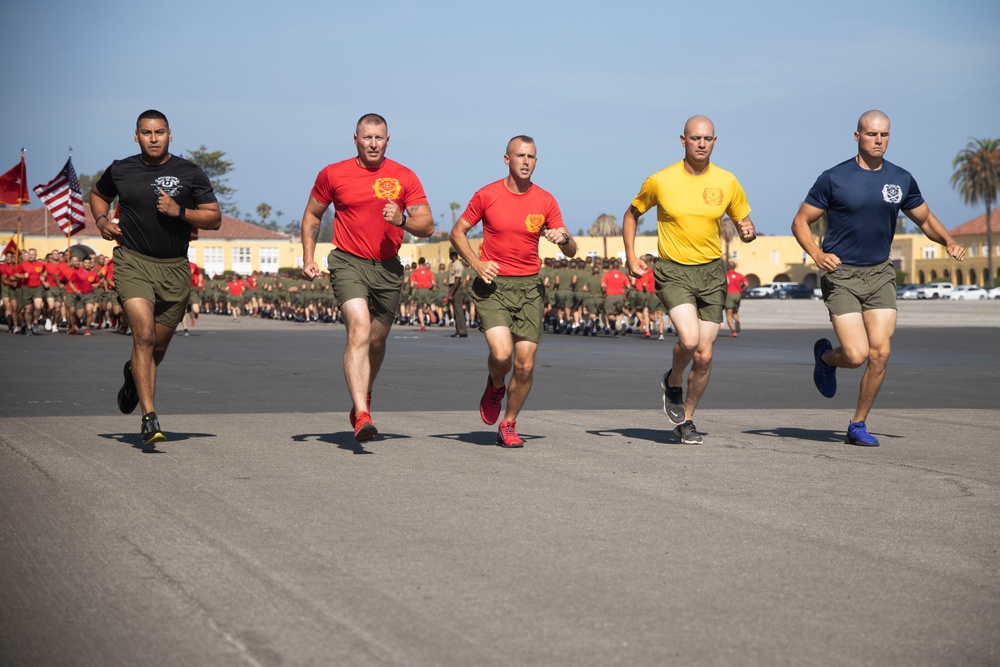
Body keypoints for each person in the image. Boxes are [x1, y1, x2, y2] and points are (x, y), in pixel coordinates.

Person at [791, 110, 966, 446]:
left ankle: (857, 424)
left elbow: (925, 219)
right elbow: (800, 222)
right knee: (855, 355)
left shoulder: (901, 179)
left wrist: (949, 241)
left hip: (880, 274)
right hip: (841, 274)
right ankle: (826, 358)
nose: (878, 140)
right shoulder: (834, 178)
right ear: (857, 136)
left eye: (884, 135)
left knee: (881, 352)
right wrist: (816, 254)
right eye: (871, 134)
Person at [90, 109, 222, 447]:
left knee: (156, 348)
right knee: (144, 337)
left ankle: (133, 376)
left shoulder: (189, 172)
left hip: (174, 269)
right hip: (132, 262)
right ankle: (149, 417)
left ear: (170, 135)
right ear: (136, 136)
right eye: (146, 132)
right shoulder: (121, 169)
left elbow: (214, 218)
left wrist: (179, 211)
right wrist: (103, 221)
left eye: (159, 132)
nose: (153, 138)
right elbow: (98, 194)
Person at [623, 115, 757, 445]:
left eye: (707, 139)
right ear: (683, 141)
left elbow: (743, 219)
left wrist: (748, 230)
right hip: (674, 270)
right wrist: (630, 254)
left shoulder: (727, 181)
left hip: (712, 273)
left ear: (714, 141)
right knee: (690, 339)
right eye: (695, 138)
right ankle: (673, 379)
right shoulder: (661, 180)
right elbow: (631, 214)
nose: (701, 143)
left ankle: (688, 420)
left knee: (706, 355)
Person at [300, 113, 434, 442]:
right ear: (356, 139)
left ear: (388, 140)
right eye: (367, 138)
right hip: (347, 261)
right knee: (359, 327)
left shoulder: (405, 176)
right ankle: (361, 414)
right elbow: (312, 214)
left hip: (387, 267)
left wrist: (402, 220)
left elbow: (428, 226)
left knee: (376, 340)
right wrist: (308, 257)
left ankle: (366, 392)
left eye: (379, 138)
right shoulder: (333, 173)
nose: (373, 144)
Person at [450, 135, 577, 448]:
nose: (525, 161)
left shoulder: (545, 200)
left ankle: (508, 424)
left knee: (525, 364)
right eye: (520, 156)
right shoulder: (487, 195)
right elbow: (457, 232)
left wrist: (563, 239)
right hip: (493, 285)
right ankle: (495, 384)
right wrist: (477, 264)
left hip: (529, 287)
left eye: (531, 157)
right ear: (507, 159)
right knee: (502, 354)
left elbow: (572, 250)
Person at [447, 248, 468, 338]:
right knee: (456, 310)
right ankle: (458, 329)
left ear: (451, 254)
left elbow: (457, 280)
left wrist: (451, 294)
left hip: (456, 288)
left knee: (458, 310)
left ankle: (462, 330)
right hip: (454, 287)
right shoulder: (454, 264)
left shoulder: (458, 265)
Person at [724, 261, 747, 337]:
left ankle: (733, 331)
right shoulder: (739, 275)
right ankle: (737, 321)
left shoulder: (726, 275)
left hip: (729, 295)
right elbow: (746, 284)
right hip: (738, 295)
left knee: (728, 314)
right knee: (735, 312)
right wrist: (741, 291)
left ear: (727, 267)